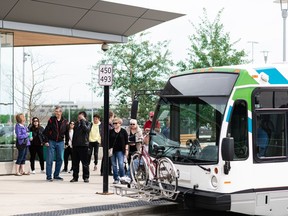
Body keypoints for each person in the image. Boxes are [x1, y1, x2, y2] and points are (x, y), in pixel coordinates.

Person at [43, 105, 68, 182]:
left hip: (60, 142)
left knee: (60, 159)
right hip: (51, 141)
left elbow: (66, 132)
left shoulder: (65, 121)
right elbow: (46, 131)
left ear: (61, 112)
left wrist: (66, 142)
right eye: (56, 111)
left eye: (58, 111)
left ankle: (56, 175)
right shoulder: (51, 120)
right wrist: (46, 141)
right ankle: (49, 176)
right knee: (49, 159)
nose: (57, 113)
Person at [70, 111, 91, 183]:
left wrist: (83, 121)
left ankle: (86, 177)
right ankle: (75, 177)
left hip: (84, 145)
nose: (79, 118)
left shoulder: (88, 123)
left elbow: (86, 130)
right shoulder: (76, 124)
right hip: (76, 146)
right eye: (79, 117)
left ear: (84, 117)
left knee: (85, 163)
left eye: (81, 117)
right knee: (75, 163)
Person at [109, 117, 129, 184]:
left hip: (120, 150)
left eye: (116, 123)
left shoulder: (123, 131)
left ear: (120, 123)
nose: (114, 124)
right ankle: (116, 178)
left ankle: (122, 177)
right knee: (114, 165)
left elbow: (126, 141)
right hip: (112, 150)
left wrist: (126, 150)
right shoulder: (111, 131)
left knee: (121, 164)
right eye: (113, 123)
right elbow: (108, 141)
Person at [100, 110, 114, 176]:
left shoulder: (109, 123)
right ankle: (104, 171)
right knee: (106, 156)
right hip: (107, 142)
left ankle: (108, 171)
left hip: (108, 142)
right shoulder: (106, 123)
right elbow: (103, 133)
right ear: (111, 116)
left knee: (109, 156)